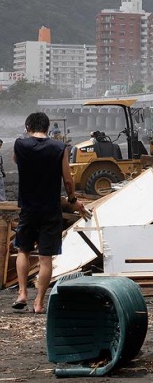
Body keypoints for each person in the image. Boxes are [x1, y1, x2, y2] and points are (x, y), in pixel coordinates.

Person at [13, 112, 89, 313]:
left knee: (23, 250)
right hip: (51, 210)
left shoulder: (20, 145)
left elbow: (16, 161)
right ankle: (38, 303)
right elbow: (68, 180)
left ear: (28, 126)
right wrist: (73, 201)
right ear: (48, 128)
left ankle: (22, 293)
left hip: (28, 208)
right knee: (46, 258)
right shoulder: (58, 148)